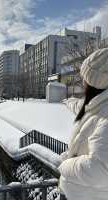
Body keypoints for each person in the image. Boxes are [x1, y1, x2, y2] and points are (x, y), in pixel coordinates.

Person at [58, 48, 108, 200]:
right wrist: (68, 101)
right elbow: (80, 106)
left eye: (85, 78)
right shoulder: (98, 105)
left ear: (95, 81)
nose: (83, 82)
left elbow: (101, 170)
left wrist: (65, 164)